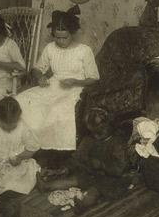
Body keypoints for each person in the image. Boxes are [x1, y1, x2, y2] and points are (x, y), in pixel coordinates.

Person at [15, 10, 99, 153]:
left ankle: (50, 149)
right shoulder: (50, 48)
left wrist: (75, 81)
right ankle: (26, 144)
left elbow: (94, 79)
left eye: (64, 38)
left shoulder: (84, 51)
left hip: (74, 88)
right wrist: (40, 76)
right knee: (21, 99)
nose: (60, 41)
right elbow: (37, 68)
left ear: (72, 34)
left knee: (56, 109)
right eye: (57, 38)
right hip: (52, 85)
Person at [36, 107, 132, 214]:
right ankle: (46, 186)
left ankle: (83, 204)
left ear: (111, 127)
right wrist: (60, 171)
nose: (96, 136)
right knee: (75, 179)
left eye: (100, 132)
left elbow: (120, 170)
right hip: (91, 174)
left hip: (112, 179)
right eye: (93, 132)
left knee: (95, 190)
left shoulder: (117, 143)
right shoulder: (89, 139)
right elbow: (77, 159)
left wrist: (102, 165)